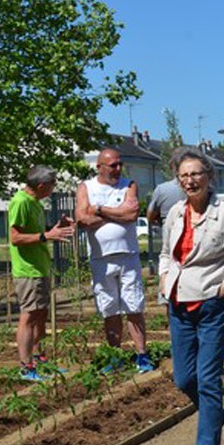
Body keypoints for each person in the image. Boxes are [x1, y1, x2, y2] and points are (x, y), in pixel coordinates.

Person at [159, 148, 224, 445]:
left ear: (209, 176)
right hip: (178, 304)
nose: (190, 180)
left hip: (213, 305)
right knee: (185, 377)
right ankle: (214, 414)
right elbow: (165, 254)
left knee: (208, 377)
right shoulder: (174, 213)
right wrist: (162, 279)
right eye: (184, 175)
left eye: (196, 173)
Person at [75, 148, 154, 373]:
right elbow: (82, 219)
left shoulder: (129, 185)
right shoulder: (86, 187)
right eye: (113, 166)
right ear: (99, 167)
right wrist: (116, 213)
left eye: (120, 164)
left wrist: (99, 210)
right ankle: (116, 354)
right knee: (109, 308)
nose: (118, 169)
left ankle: (142, 355)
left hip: (128, 256)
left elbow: (131, 215)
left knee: (134, 305)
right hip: (101, 258)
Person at [8, 166, 75, 381]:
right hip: (28, 271)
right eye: (52, 185)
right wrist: (47, 236)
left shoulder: (35, 203)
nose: (53, 189)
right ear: (40, 186)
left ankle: (39, 359)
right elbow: (15, 238)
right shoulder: (20, 202)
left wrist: (55, 227)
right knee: (28, 316)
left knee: (40, 315)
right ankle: (26, 367)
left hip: (39, 267)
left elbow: (37, 232)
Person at [147, 151, 188, 303]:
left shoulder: (162, 189)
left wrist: (158, 221)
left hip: (170, 238)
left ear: (172, 167)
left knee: (169, 268)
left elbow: (150, 215)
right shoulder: (201, 188)